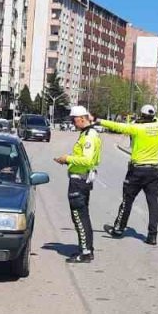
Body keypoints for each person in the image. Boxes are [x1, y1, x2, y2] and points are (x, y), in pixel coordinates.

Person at [100, 105, 158, 245]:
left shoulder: (137, 128)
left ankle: (118, 229)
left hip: (137, 171)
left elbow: (119, 127)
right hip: (154, 171)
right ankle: (152, 236)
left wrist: (99, 121)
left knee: (127, 200)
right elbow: (153, 120)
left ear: (141, 116)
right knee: (153, 204)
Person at [54, 106, 101, 263]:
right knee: (83, 216)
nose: (73, 124)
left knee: (79, 217)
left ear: (82, 118)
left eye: (74, 121)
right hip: (82, 179)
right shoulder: (87, 133)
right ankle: (86, 248)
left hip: (79, 181)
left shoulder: (88, 136)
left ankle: (86, 252)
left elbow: (87, 160)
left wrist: (68, 159)